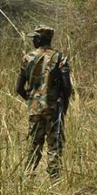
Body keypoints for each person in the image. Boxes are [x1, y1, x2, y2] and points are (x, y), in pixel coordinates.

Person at [15, 25, 73, 180]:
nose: (33, 40)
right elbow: (67, 87)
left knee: (34, 144)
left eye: (35, 37)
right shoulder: (60, 58)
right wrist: (64, 105)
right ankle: (55, 179)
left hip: (34, 109)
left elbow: (19, 88)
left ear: (41, 38)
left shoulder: (27, 58)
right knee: (54, 145)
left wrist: (32, 100)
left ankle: (28, 177)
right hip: (54, 109)